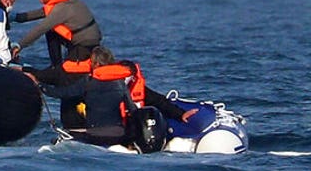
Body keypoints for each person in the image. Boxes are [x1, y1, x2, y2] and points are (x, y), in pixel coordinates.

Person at [39, 46, 198, 151]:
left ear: (94, 64)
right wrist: (180, 114)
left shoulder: (88, 82)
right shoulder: (122, 83)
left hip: (96, 136)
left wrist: (40, 87)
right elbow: (148, 104)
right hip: (121, 135)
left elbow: (63, 93)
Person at [13, 0, 102, 76]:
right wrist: (16, 17)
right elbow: (41, 12)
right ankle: (56, 65)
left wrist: (19, 45)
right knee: (52, 32)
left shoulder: (62, 8)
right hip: (88, 40)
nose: (41, 1)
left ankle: (57, 69)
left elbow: (41, 28)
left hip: (84, 45)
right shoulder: (69, 0)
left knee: (50, 30)